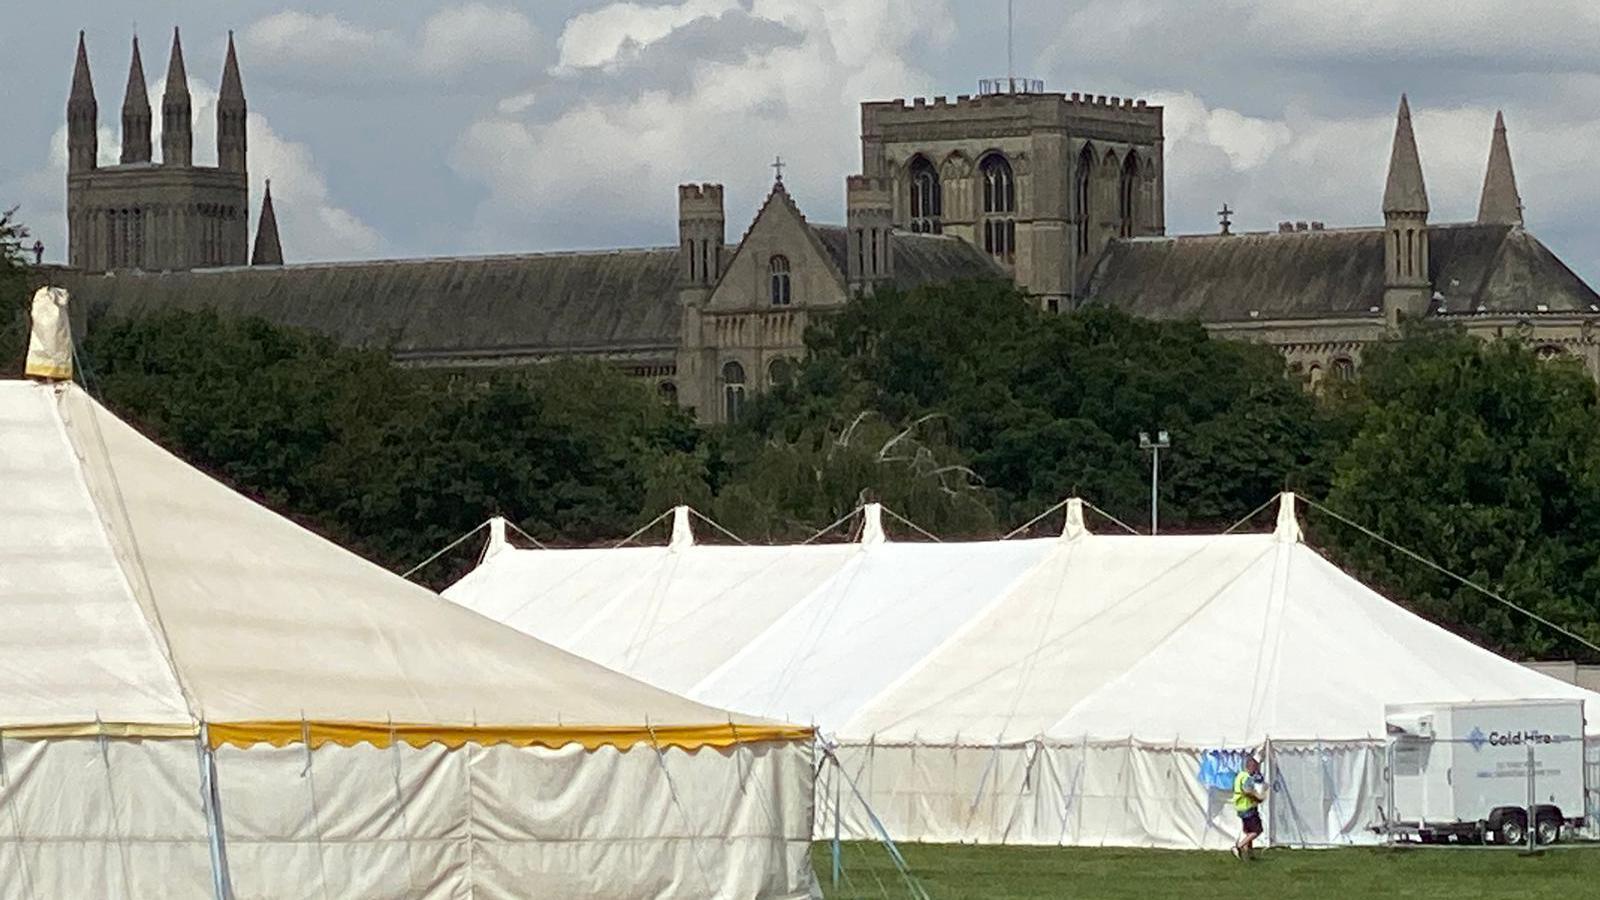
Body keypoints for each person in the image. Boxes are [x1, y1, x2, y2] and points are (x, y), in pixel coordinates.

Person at [1231, 755, 1266, 860]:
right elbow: (1247, 791)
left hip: (1240, 806)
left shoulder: (1240, 775)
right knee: (1257, 830)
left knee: (1249, 831)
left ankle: (1250, 854)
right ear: (1251, 767)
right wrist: (1258, 798)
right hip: (1247, 806)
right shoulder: (1247, 777)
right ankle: (1238, 846)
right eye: (1255, 767)